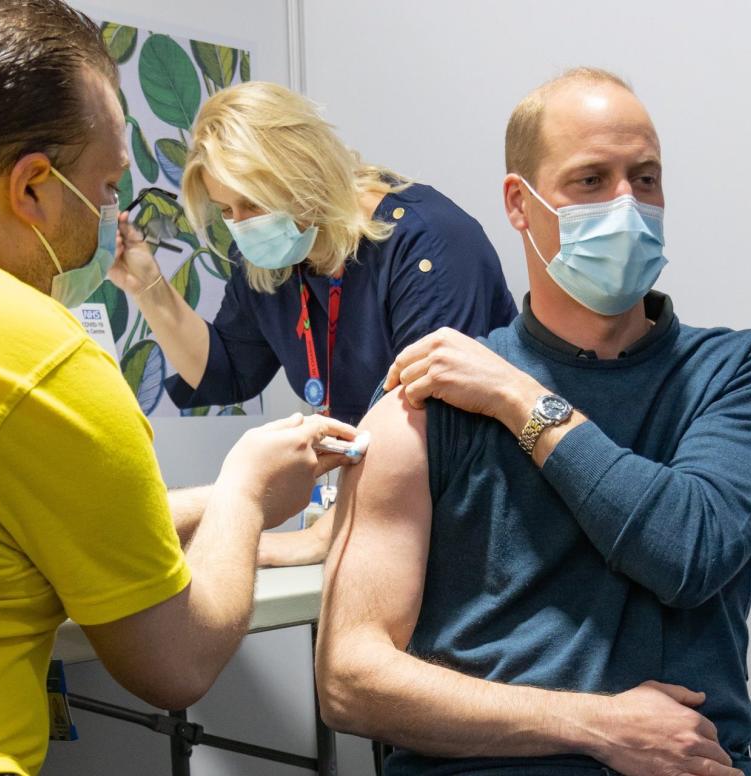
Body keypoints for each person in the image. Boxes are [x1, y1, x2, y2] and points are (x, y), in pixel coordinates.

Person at [0, 3, 355, 775]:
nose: (109, 216)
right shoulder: (35, 353)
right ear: (34, 188)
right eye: (108, 188)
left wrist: (220, 499)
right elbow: (172, 665)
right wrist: (246, 494)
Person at [314, 68, 751, 776]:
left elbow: (686, 551)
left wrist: (520, 399)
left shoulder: (741, 370)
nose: (627, 204)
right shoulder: (428, 403)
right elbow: (349, 681)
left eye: (646, 177)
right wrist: (598, 726)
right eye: (590, 180)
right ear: (520, 203)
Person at [108, 81, 518, 566]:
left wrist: (321, 537)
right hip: (377, 526)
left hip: (475, 525)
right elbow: (227, 371)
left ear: (306, 173)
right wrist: (148, 287)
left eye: (253, 204)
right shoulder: (274, 257)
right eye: (227, 211)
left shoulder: (427, 243)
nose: (241, 225)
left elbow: (435, 425)